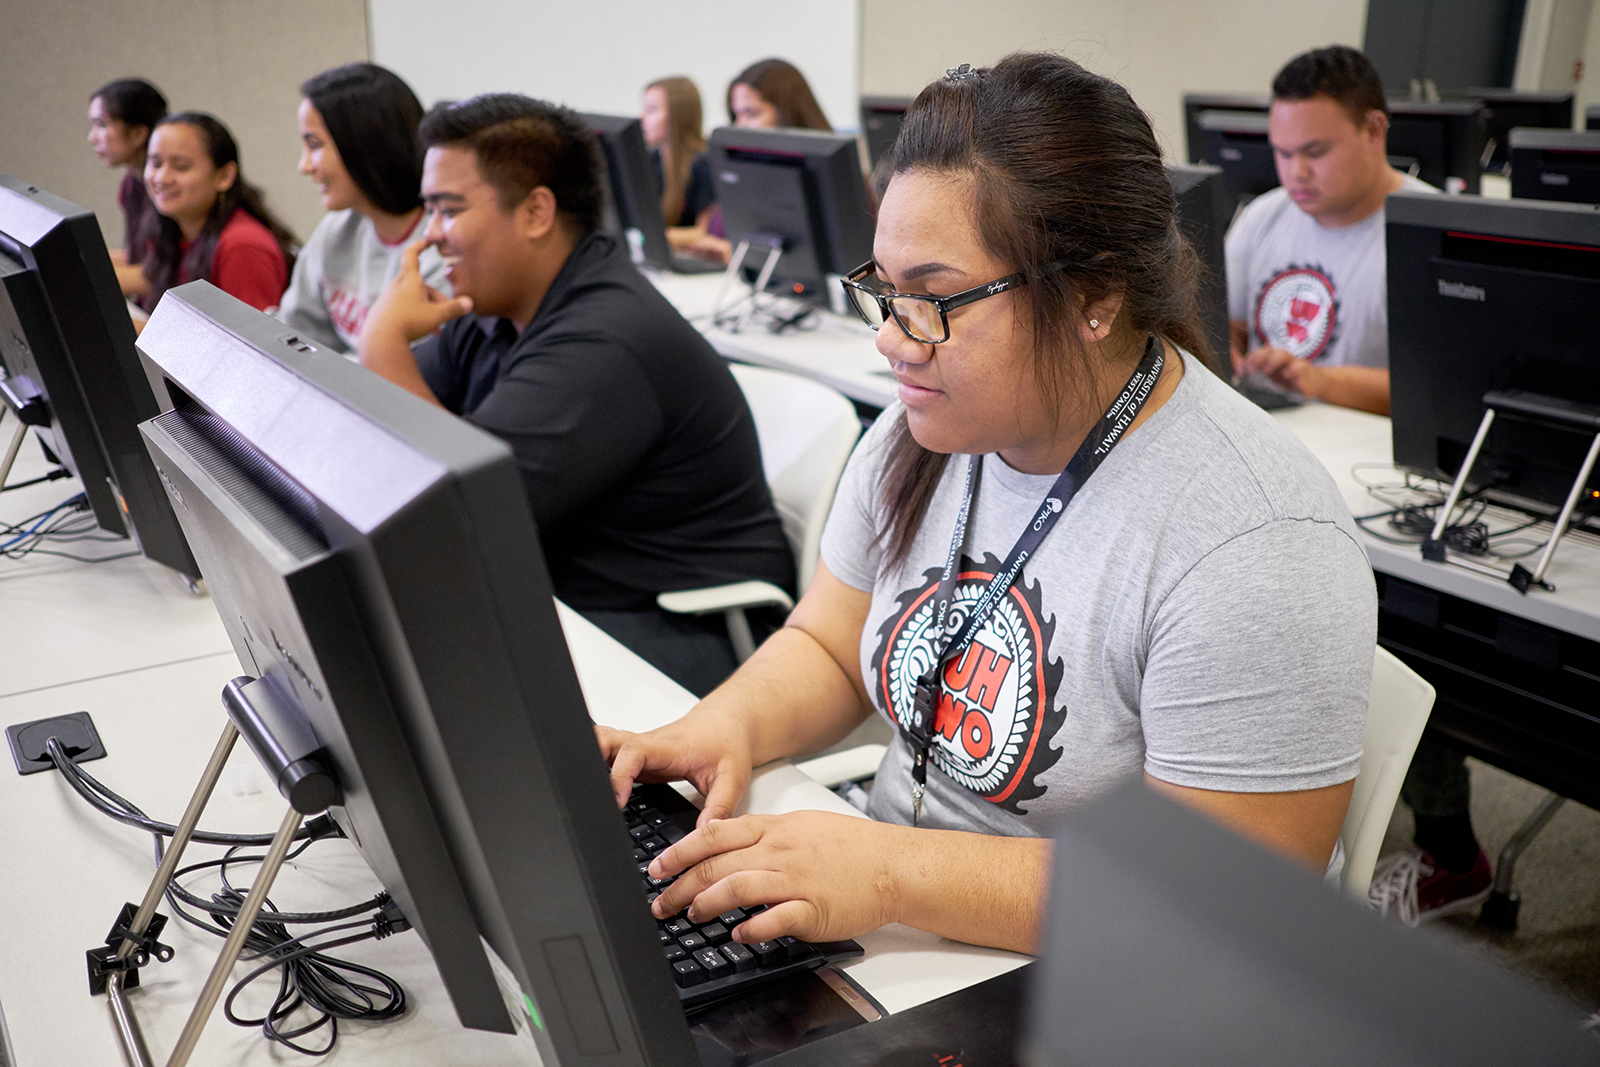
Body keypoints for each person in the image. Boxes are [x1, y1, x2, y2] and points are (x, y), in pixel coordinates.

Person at [597, 53, 1376, 956]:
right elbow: (831, 645)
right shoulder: (924, 432)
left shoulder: (1256, 541)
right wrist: (717, 727)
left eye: (931, 298)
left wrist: (889, 871)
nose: (891, 337)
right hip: (909, 931)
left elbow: (1223, 898)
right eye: (884, 289)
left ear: (1093, 295)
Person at [357, 94, 795, 697]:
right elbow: (374, 450)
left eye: (448, 210)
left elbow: (449, 517)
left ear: (536, 211)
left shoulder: (605, 339)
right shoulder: (493, 312)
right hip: (576, 599)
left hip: (684, 629)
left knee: (424, 676)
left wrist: (382, 349)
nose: (431, 238)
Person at [1226, 45, 1434, 417]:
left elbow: (1439, 389)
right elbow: (1230, 324)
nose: (1296, 174)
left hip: (1361, 448)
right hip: (1264, 425)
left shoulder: (1429, 234)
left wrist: (1320, 382)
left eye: (1315, 152)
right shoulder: (1262, 216)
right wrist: (1223, 350)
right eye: (1284, 154)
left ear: (1373, 130)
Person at [276, 63, 447, 354]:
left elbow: (407, 372)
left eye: (315, 144)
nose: (304, 166)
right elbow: (292, 333)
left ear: (366, 143)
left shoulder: (442, 250)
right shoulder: (336, 229)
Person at [141, 112, 295, 313]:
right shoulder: (171, 230)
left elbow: (249, 340)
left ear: (224, 175)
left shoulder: (242, 245)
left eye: (181, 166)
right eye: (155, 163)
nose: (162, 177)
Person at [688, 59, 836, 264]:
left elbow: (811, 260)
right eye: (736, 115)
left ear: (788, 114)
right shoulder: (747, 176)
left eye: (752, 113)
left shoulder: (827, 181)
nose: (740, 126)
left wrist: (740, 256)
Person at [86, 77, 166, 305]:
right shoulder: (131, 185)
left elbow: (162, 275)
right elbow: (137, 260)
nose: (92, 137)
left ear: (137, 134)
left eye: (101, 124)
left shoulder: (168, 192)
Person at [640, 76, 716, 253]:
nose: (642, 117)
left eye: (652, 110)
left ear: (678, 116)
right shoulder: (651, 160)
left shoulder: (704, 164)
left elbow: (705, 232)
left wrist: (657, 237)